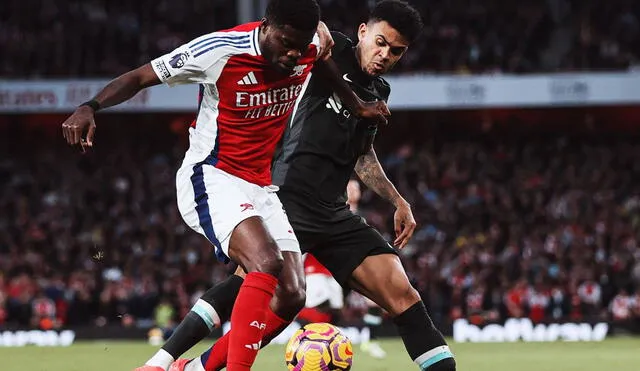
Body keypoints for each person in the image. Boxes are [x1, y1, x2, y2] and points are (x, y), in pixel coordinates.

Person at [60, 1, 389, 370]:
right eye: (285, 43)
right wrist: (90, 107)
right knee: (265, 261)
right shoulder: (219, 51)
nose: (293, 54)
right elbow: (139, 77)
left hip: (260, 186)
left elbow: (320, 63)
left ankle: (194, 367)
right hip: (212, 175)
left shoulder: (309, 46)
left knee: (294, 293)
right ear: (266, 26)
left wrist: (356, 104)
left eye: (300, 47)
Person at [137, 1, 456, 371]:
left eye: (396, 51)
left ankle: (193, 369)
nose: (384, 55)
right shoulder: (325, 51)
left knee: (402, 294)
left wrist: (398, 200)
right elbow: (299, 29)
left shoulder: (378, 91)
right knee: (249, 290)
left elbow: (362, 155)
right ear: (363, 32)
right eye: (380, 42)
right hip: (286, 196)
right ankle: (163, 362)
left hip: (335, 213)